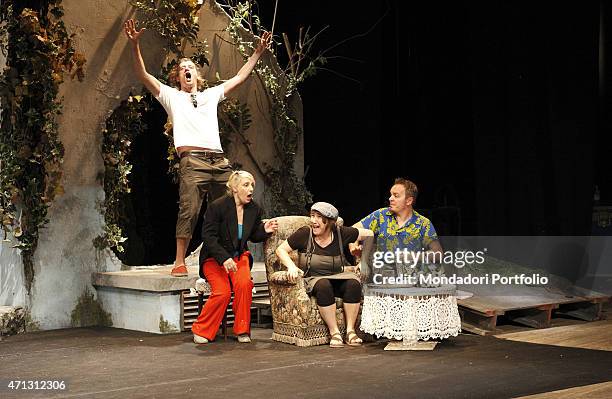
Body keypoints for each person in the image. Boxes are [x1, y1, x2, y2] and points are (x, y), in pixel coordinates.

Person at [124, 19, 272, 276]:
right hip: (192, 160)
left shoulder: (210, 95)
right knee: (189, 209)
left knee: (232, 204)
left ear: (197, 75)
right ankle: (179, 260)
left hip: (218, 161)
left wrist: (257, 53)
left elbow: (239, 77)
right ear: (178, 77)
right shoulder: (172, 97)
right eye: (182, 68)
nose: (186, 69)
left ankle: (232, 254)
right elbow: (143, 76)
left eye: (190, 66)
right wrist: (134, 44)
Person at [191, 171, 278, 344]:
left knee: (244, 284)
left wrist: (264, 230)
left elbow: (253, 235)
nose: (251, 189)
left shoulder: (254, 209)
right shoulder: (218, 207)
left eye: (252, 185)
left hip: (239, 257)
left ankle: (242, 329)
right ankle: (201, 329)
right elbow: (208, 237)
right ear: (234, 188)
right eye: (246, 185)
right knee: (222, 292)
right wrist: (224, 258)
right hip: (214, 259)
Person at [275, 202, 374, 348]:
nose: (313, 221)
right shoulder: (304, 234)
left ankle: (350, 331)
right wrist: (291, 266)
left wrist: (364, 262)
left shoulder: (341, 233)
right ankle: (334, 332)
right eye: (312, 216)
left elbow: (370, 234)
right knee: (324, 284)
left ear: (329, 222)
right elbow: (280, 250)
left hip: (338, 276)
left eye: (318, 217)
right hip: (314, 279)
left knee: (353, 283)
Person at [350, 177, 443, 275]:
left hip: (411, 278)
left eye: (396, 195)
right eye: (391, 195)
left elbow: (438, 254)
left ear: (409, 201)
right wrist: (354, 246)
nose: (390, 198)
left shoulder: (423, 223)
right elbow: (353, 229)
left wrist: (414, 256)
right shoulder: (381, 215)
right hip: (381, 276)